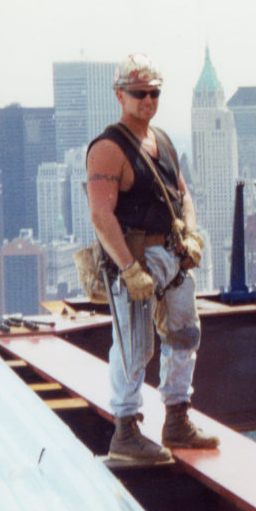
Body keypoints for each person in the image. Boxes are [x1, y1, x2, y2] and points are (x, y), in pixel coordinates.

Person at [87, 53, 219, 464]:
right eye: (139, 93)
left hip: (171, 256)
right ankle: (125, 431)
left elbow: (183, 194)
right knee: (134, 344)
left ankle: (177, 417)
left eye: (154, 92)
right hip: (136, 259)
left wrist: (191, 235)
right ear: (120, 95)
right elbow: (101, 214)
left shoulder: (162, 141)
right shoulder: (109, 149)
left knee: (184, 335)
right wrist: (128, 269)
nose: (148, 100)